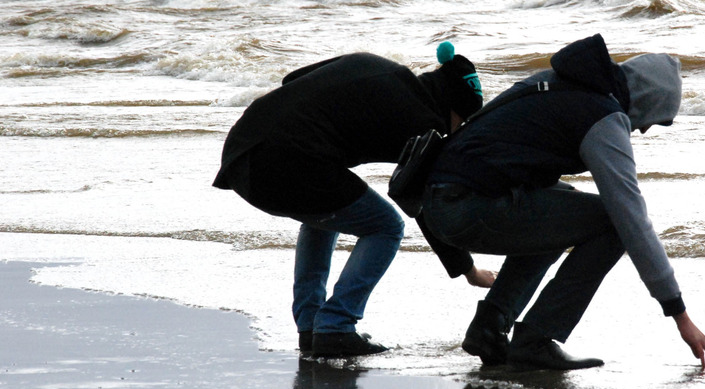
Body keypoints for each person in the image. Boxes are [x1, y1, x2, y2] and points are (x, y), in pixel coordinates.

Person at [421, 34, 705, 371]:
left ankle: (490, 326)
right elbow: (631, 219)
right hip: (466, 206)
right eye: (658, 118)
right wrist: (679, 314)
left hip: (440, 200)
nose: (647, 130)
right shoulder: (602, 116)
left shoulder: (559, 82)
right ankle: (536, 338)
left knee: (563, 206)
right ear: (648, 99)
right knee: (613, 223)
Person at [212, 42, 494, 359]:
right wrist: (469, 270)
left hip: (241, 152)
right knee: (386, 226)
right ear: (452, 109)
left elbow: (294, 77)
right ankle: (336, 327)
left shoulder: (374, 63)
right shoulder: (424, 125)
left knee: (324, 212)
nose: (455, 131)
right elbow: (424, 205)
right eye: (461, 122)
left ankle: (311, 327)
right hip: (283, 165)